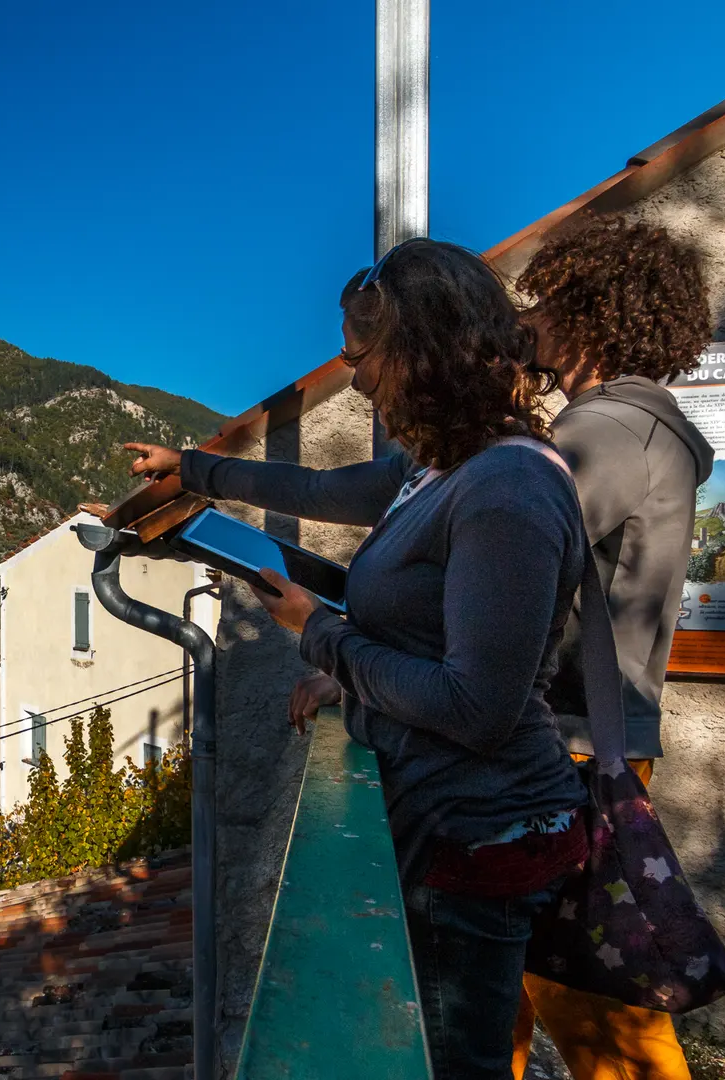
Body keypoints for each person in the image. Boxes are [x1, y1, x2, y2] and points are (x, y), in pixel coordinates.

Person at [132, 239, 591, 1078]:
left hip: (477, 833)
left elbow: (476, 708)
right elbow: (314, 492)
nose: (357, 381)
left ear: (421, 351)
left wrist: (320, 634)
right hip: (445, 824)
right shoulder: (438, 468)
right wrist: (193, 470)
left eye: (361, 357)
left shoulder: (507, 488)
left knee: (457, 1064)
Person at [502, 217, 714, 1079]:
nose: (531, 320)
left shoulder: (610, 432)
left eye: (546, 302)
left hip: (572, 747)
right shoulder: (626, 426)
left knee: (598, 1016)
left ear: (590, 313)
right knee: (503, 987)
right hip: (581, 738)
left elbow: (503, 560)